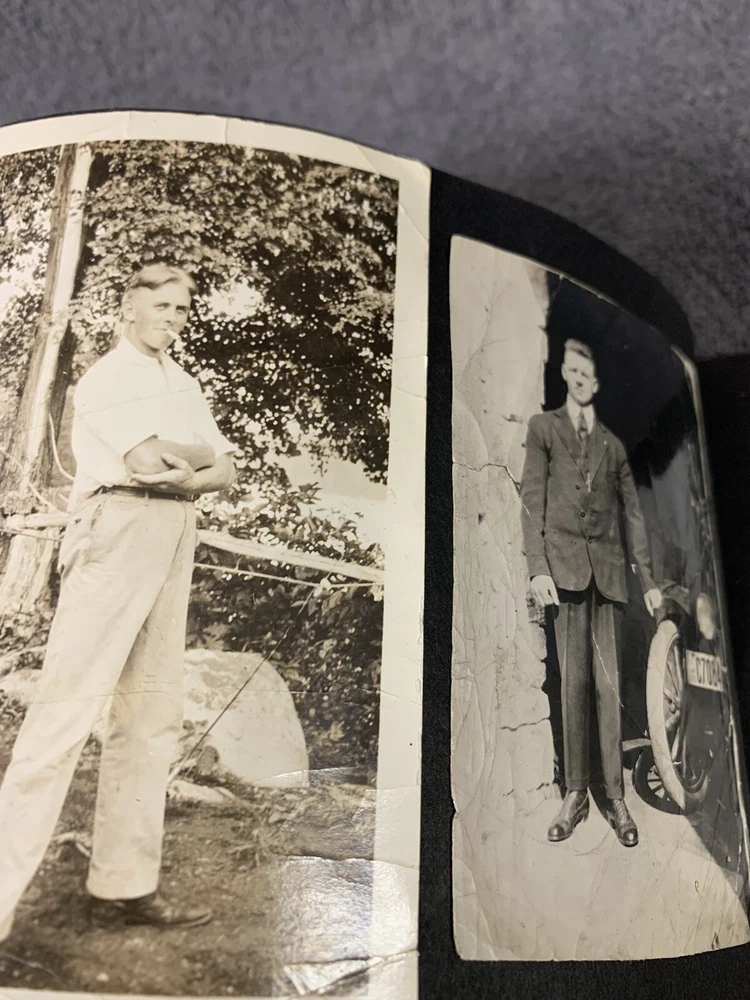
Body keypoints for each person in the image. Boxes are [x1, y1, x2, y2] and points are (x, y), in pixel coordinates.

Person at [0, 263, 236, 941]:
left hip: (174, 533)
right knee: (64, 713)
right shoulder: (106, 378)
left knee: (151, 714)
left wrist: (192, 466)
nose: (173, 319)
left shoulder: (182, 382)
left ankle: (123, 887)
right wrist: (195, 461)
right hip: (116, 525)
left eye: (183, 309)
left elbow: (226, 469)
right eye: (161, 306)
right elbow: (145, 463)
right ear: (129, 308)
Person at [520, 338, 662, 848]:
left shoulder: (613, 446)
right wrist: (538, 569)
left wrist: (648, 582)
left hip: (610, 580)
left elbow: (634, 516)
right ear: (564, 373)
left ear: (597, 383)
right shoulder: (543, 429)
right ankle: (576, 794)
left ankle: (616, 798)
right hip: (565, 576)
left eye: (588, 375)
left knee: (607, 688)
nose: (580, 380)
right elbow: (531, 501)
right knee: (573, 685)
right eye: (573, 372)